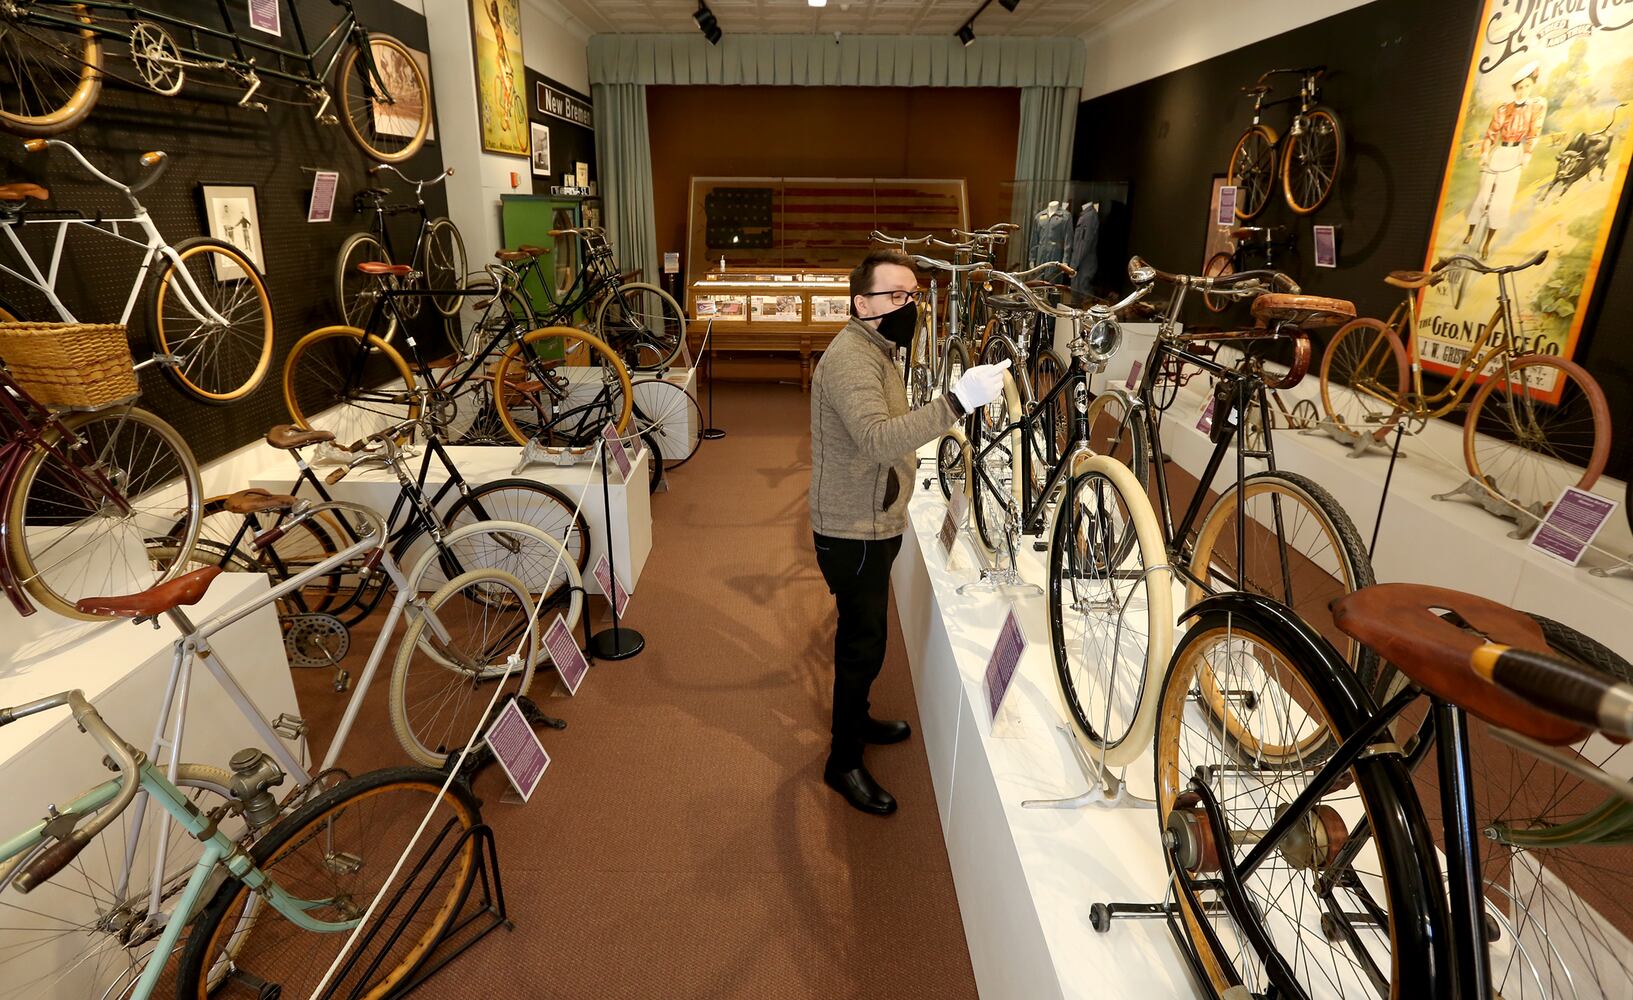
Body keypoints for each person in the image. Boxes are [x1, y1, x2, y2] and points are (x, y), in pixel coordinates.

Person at [808, 248, 1009, 816]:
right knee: (861, 644)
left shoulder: (877, 349)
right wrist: (956, 402)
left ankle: (859, 719)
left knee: (868, 637)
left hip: (871, 519)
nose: (908, 306)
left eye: (912, 295)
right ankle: (842, 760)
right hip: (853, 529)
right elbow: (877, 439)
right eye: (895, 295)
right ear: (861, 303)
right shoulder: (852, 359)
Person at [1464, 60, 1546, 259]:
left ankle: (1487, 243)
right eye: (1519, 87)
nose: (1523, 91)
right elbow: (1492, 133)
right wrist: (1485, 153)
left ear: (1531, 86)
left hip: (1515, 156)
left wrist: (1527, 154)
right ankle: (1471, 232)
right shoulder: (1503, 109)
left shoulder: (1535, 108)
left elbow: (1534, 133)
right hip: (1499, 153)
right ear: (1514, 89)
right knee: (1483, 196)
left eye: (1527, 86)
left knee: (1501, 202)